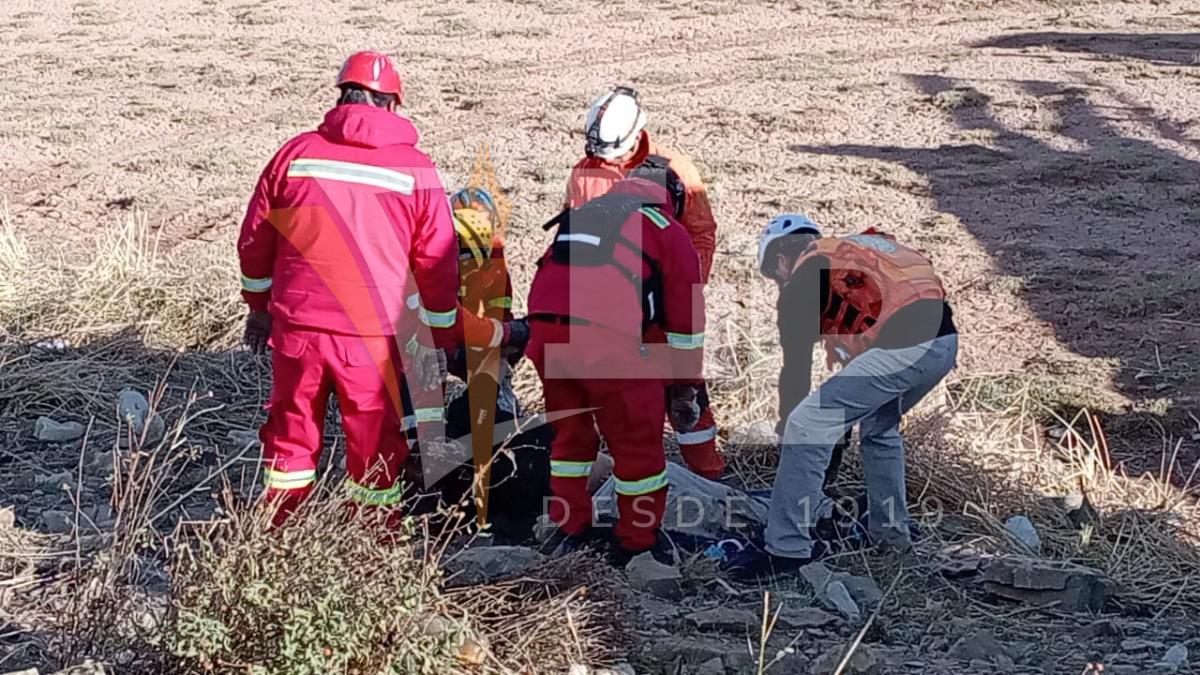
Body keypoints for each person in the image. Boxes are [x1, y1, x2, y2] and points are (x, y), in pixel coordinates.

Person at [238, 51, 459, 526]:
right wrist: (439, 340)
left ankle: (278, 535)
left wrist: (258, 308)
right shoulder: (416, 169)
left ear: (341, 96)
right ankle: (370, 545)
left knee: (291, 439)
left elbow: (255, 240)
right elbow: (438, 264)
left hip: (297, 329)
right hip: (372, 337)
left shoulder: (294, 155)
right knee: (374, 447)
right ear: (392, 104)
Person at [726, 215, 958, 578]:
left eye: (774, 276)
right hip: (942, 343)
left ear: (781, 260)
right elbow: (850, 394)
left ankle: (786, 548)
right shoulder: (851, 258)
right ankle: (891, 537)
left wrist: (795, 439)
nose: (778, 284)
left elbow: (796, 375)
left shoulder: (801, 282)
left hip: (905, 345)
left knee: (806, 423)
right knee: (880, 429)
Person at [528, 160, 706, 559]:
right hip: (604, 340)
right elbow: (686, 326)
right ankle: (637, 544)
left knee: (570, 438)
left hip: (544, 332)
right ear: (673, 198)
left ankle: (567, 529)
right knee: (637, 443)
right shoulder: (666, 229)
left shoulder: (584, 213)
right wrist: (684, 384)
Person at [564, 86, 723, 480]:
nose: (604, 161)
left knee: (686, 395)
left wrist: (686, 289)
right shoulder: (585, 172)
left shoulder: (673, 170)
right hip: (611, 309)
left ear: (636, 135)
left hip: (668, 306)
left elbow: (702, 234)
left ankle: (708, 475)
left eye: (612, 153)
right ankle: (638, 476)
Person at [445, 186, 530, 526]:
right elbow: (439, 317)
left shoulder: (494, 255)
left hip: (475, 337)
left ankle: (509, 441)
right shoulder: (431, 253)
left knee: (497, 385)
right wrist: (503, 335)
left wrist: (506, 340)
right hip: (430, 341)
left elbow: (499, 312)